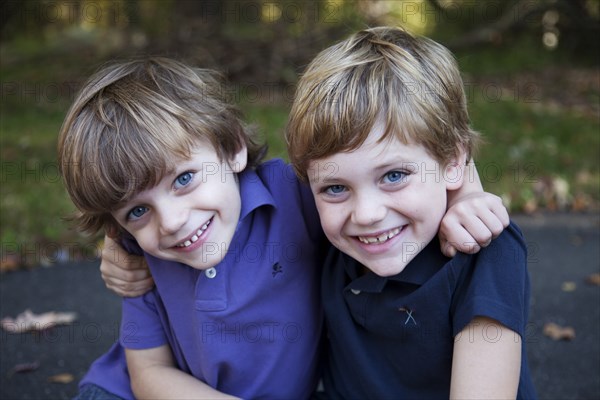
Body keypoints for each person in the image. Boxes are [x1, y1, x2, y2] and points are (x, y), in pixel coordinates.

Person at [64, 54, 509, 399]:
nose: (173, 221)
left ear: (232, 149)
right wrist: (118, 246)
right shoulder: (142, 256)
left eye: (184, 180)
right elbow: (147, 378)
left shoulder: (291, 196)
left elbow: (382, 161)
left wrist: (466, 194)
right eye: (137, 211)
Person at [285, 26, 536, 398]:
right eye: (336, 188)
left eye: (394, 176)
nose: (367, 214)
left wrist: (467, 191)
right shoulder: (324, 231)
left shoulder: (484, 249)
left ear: (453, 160)